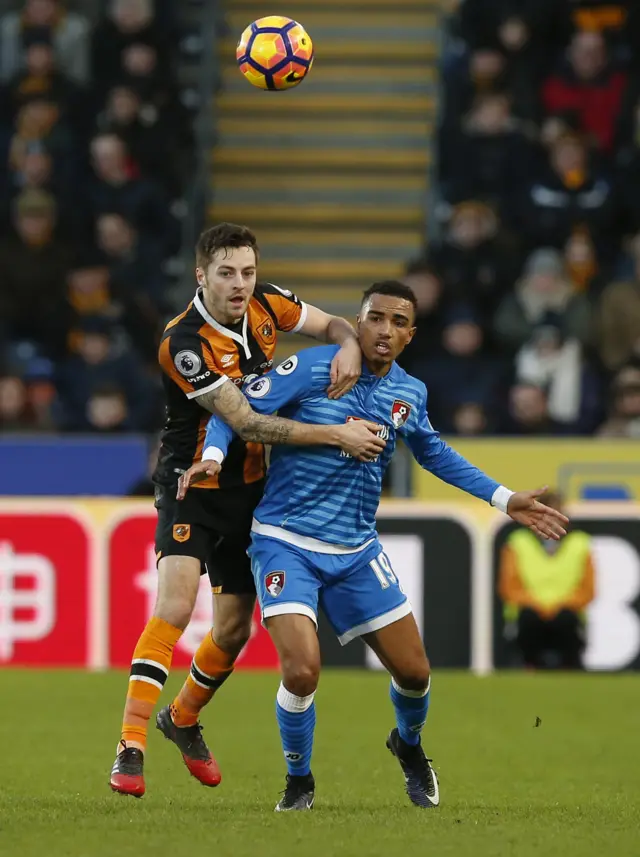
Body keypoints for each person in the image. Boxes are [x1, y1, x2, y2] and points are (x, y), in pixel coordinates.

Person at [177, 281, 568, 811]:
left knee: (415, 673)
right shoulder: (316, 368)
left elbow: (433, 453)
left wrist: (504, 499)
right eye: (376, 319)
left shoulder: (410, 394)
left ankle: (407, 746)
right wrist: (216, 460)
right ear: (358, 323)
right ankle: (299, 781)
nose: (385, 331)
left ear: (411, 334)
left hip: (356, 550)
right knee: (301, 670)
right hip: (284, 541)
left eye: (398, 322)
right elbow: (236, 409)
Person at [108, 222, 387, 797]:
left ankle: (182, 719)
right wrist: (335, 434)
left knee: (234, 630)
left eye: (248, 272)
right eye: (228, 274)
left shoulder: (265, 303)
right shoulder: (181, 344)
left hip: (256, 492)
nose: (240, 285)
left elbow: (332, 322)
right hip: (194, 484)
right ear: (201, 275)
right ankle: (130, 746)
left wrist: (350, 345)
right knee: (177, 605)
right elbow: (246, 421)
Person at [498, 491, 595, 669]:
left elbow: (587, 590)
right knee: (529, 619)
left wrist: (559, 606)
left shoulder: (580, 544)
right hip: (530, 614)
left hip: (567, 614)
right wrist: (539, 605)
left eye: (557, 513)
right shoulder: (517, 543)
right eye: (547, 513)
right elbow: (509, 588)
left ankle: (569, 669)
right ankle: (530, 667)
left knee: (566, 620)